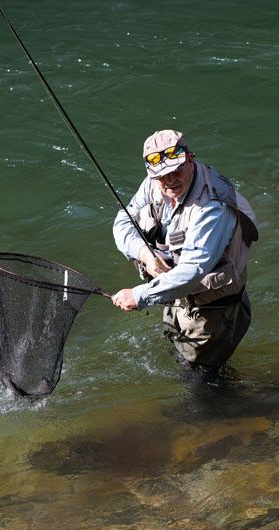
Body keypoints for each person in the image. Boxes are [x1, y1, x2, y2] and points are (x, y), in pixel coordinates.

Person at [111, 129, 259, 370]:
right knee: (183, 361)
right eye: (161, 175)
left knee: (200, 377)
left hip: (214, 311)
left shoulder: (211, 207)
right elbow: (123, 222)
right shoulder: (153, 184)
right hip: (179, 296)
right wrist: (146, 255)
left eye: (176, 170)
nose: (169, 180)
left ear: (190, 159)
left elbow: (193, 269)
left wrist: (139, 296)